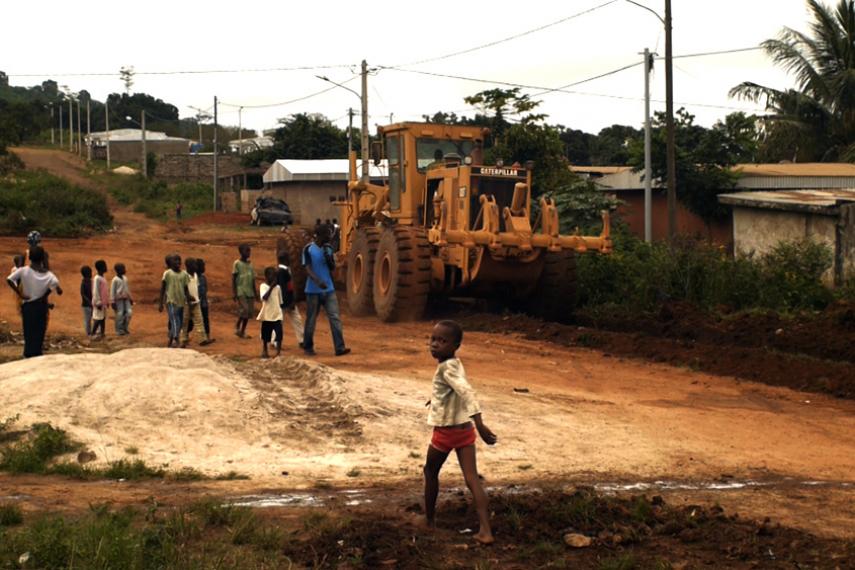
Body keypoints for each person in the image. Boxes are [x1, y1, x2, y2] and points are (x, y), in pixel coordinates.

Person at [423, 320, 496, 545]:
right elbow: (454, 390)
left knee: (430, 471)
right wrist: (436, 400)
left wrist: (482, 425)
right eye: (433, 339)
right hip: (465, 431)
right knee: (472, 478)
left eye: (442, 341)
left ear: (455, 345)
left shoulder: (445, 368)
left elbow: (466, 392)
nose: (435, 344)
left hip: (446, 433)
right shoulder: (454, 363)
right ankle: (486, 531)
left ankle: (429, 521)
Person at [302, 223, 350, 356]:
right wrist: (317, 280)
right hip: (313, 290)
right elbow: (307, 268)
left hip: (329, 289)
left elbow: (332, 268)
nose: (329, 237)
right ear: (320, 236)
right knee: (311, 319)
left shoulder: (328, 248)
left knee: (335, 318)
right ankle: (308, 346)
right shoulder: (308, 249)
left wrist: (330, 260)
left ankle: (339, 347)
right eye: (327, 235)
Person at [6, 246, 62, 358]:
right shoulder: (50, 276)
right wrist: (44, 296)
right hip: (41, 307)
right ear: (43, 258)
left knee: (29, 334)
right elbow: (56, 287)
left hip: (27, 307)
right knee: (39, 334)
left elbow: (9, 280)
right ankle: (37, 355)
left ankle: (28, 356)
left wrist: (20, 294)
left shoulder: (23, 271)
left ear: (29, 258)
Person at [158, 253, 192, 348]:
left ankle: (171, 340)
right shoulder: (167, 273)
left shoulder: (184, 274)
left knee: (179, 322)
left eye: (179, 260)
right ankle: (176, 339)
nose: (178, 262)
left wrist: (188, 300)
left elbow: (186, 288)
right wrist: (160, 303)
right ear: (170, 263)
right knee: (175, 320)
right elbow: (163, 288)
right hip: (171, 301)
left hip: (181, 302)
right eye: (175, 260)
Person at [181, 258, 213, 347]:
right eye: (194, 265)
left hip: (197, 302)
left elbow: (198, 287)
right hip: (187, 303)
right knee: (185, 321)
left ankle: (202, 339)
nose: (196, 267)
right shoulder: (184, 275)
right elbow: (183, 287)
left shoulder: (195, 275)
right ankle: (183, 339)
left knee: (200, 321)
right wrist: (187, 297)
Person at [276, 250, 304, 348]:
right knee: (293, 319)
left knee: (292, 320)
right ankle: (275, 341)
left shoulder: (284, 270)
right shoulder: (282, 272)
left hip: (285, 300)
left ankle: (301, 340)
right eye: (288, 258)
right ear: (284, 260)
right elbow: (284, 288)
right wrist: (288, 301)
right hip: (285, 301)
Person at [257, 266, 283, 358]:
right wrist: (271, 287)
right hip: (267, 315)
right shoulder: (263, 286)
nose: (275, 279)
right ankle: (265, 350)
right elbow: (264, 298)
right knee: (265, 335)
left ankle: (278, 352)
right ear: (267, 276)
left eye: (276, 276)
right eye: (273, 276)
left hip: (276, 314)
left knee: (279, 333)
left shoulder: (278, 288)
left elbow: (280, 301)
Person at [232, 244, 257, 339]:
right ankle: (238, 325)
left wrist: (255, 292)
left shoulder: (250, 264)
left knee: (249, 312)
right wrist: (234, 292)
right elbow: (233, 278)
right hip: (241, 291)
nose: (249, 253)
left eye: (249, 251)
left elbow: (253, 279)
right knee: (245, 310)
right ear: (241, 252)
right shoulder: (237, 264)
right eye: (247, 251)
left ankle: (242, 331)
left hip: (250, 291)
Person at [110, 262, 133, 336]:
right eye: (123, 269)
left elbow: (127, 289)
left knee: (129, 313)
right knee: (120, 314)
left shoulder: (125, 278)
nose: (124, 270)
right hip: (118, 300)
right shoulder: (115, 280)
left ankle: (125, 328)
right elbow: (112, 291)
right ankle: (119, 330)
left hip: (126, 299)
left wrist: (130, 298)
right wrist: (112, 301)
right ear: (118, 270)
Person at [91, 260, 109, 340]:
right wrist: (98, 302)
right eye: (105, 266)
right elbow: (96, 291)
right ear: (101, 268)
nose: (106, 267)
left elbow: (104, 291)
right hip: (99, 303)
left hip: (103, 302)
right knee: (98, 318)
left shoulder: (102, 278)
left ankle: (102, 334)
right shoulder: (97, 278)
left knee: (102, 318)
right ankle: (92, 334)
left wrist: (106, 301)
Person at [196, 258, 212, 339]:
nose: (204, 268)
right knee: (193, 321)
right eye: (202, 266)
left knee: (205, 319)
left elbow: (205, 289)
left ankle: (207, 336)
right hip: (196, 303)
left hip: (203, 303)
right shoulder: (194, 278)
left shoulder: (203, 278)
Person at [80, 265, 93, 336]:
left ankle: (92, 331)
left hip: (91, 303)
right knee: (87, 319)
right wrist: (88, 302)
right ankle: (88, 333)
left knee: (93, 318)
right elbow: (82, 294)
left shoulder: (90, 281)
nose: (91, 274)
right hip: (86, 305)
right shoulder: (83, 283)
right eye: (90, 273)